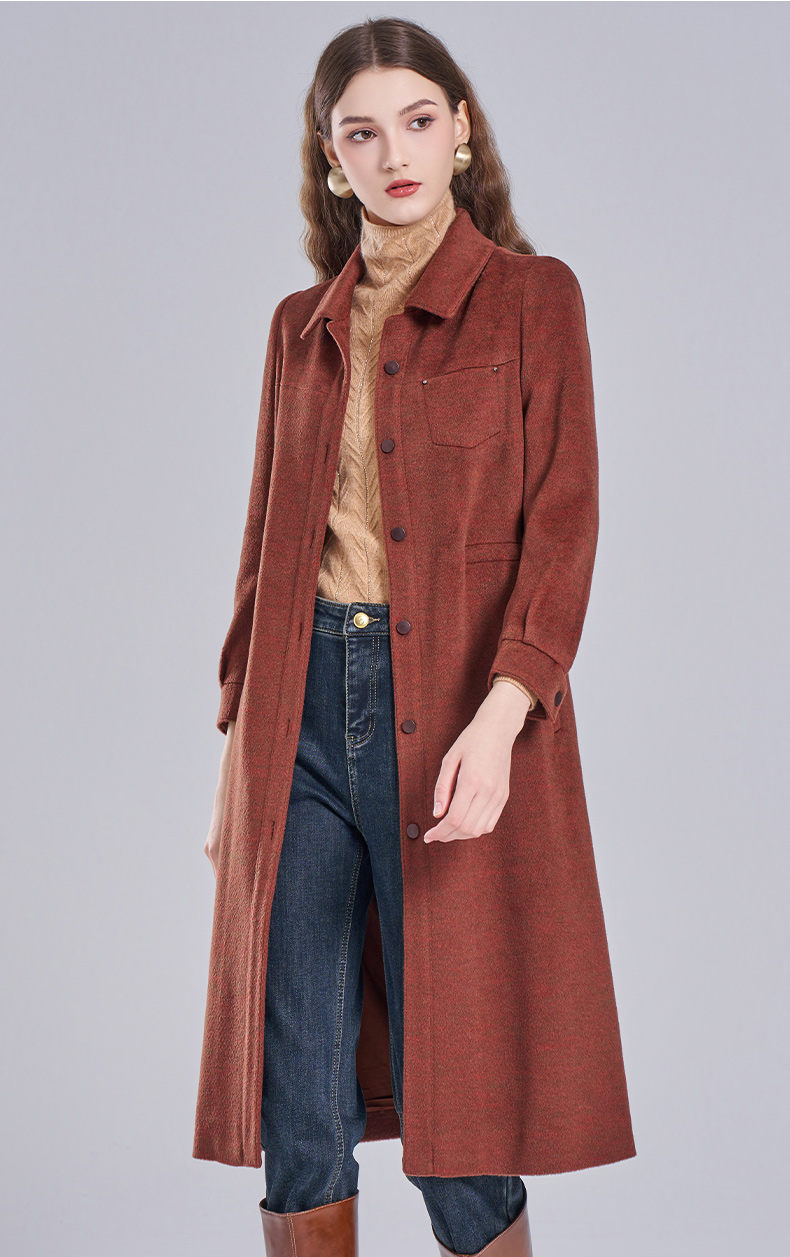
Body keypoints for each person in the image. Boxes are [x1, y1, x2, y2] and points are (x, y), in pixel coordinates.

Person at [195, 16, 636, 1257]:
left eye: (418, 121)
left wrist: (503, 715)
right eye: (361, 133)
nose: (394, 153)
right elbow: (262, 558)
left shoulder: (534, 300)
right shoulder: (299, 327)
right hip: (295, 721)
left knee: (459, 1111)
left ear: (461, 133)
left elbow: (563, 525)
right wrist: (234, 764)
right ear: (331, 160)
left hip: (447, 710)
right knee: (299, 1103)